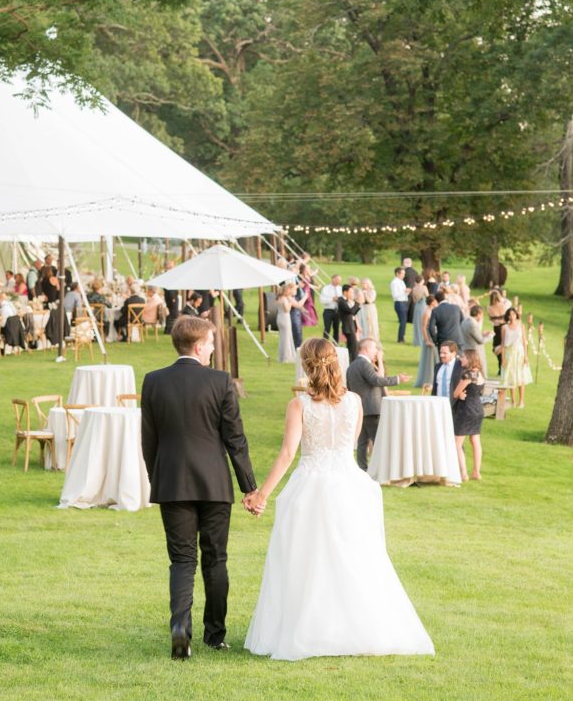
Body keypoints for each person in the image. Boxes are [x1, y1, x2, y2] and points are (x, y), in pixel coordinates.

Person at [244, 337, 434, 661]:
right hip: (349, 484)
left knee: (308, 560)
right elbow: (351, 443)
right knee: (353, 557)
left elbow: (289, 452)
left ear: (306, 365)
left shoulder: (299, 405)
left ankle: (312, 630)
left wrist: (262, 493)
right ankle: (353, 628)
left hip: (312, 484)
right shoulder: (355, 402)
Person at [141, 316, 258, 660]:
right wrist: (249, 487)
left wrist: (157, 478)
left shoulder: (153, 382)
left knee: (181, 560)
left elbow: (149, 441)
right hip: (214, 484)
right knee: (215, 558)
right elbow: (235, 439)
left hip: (172, 482)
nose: (212, 349)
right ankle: (215, 635)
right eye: (210, 343)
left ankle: (180, 632)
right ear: (197, 346)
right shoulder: (220, 382)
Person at [346, 338, 411, 470]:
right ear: (366, 349)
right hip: (371, 409)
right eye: (374, 348)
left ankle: (362, 469)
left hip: (359, 409)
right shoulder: (365, 364)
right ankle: (382, 470)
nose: (376, 351)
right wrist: (397, 379)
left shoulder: (352, 365)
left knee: (362, 443)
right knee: (378, 441)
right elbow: (376, 380)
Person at [452, 349, 485, 482]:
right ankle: (476, 472)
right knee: (475, 441)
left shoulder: (467, 375)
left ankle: (463, 473)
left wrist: (459, 395)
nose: (461, 359)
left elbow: (455, 393)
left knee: (457, 443)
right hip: (478, 409)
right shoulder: (480, 374)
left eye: (463, 357)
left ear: (470, 359)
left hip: (466, 409)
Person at [497, 307, 532, 409]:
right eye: (509, 314)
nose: (511, 316)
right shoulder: (504, 327)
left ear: (516, 315)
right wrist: (503, 358)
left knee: (521, 377)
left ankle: (521, 401)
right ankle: (513, 400)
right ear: (507, 316)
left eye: (513, 314)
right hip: (509, 353)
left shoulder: (521, 326)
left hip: (519, 353)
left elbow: (524, 341)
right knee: (511, 377)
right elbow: (503, 343)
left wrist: (526, 356)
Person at [414, 295, 438, 388]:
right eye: (435, 301)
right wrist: (427, 340)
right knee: (430, 358)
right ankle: (428, 379)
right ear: (432, 302)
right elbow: (423, 327)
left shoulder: (433, 311)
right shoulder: (427, 312)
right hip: (429, 336)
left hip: (434, 334)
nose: (436, 303)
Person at [461, 305, 491, 377]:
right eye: (482, 314)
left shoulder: (465, 321)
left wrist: (482, 334)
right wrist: (490, 336)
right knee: (478, 371)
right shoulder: (472, 324)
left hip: (465, 349)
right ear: (478, 314)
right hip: (473, 351)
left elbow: (471, 335)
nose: (481, 317)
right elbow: (480, 341)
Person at [276, 282, 302, 364]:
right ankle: (286, 356)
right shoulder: (284, 299)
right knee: (286, 337)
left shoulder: (278, 298)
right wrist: (290, 303)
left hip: (279, 317)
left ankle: (282, 355)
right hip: (285, 317)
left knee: (282, 337)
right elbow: (287, 309)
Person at [336, 284, 360, 364]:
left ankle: (352, 361)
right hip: (348, 327)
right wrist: (357, 303)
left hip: (351, 325)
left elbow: (352, 313)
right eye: (351, 292)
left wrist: (356, 305)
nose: (352, 294)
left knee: (353, 345)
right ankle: (354, 362)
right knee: (353, 346)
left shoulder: (345, 301)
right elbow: (350, 311)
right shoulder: (341, 301)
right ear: (345, 292)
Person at [487, 289, 510, 373]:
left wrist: (496, 318)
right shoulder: (503, 305)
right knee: (502, 346)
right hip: (504, 326)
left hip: (497, 327)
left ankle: (501, 364)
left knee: (497, 346)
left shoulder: (489, 308)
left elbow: (491, 319)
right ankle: (502, 365)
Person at [319, 273, 342, 343]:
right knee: (327, 328)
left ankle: (335, 344)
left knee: (336, 329)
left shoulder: (340, 288)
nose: (339, 282)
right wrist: (332, 299)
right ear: (333, 279)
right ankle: (324, 343)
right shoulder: (326, 289)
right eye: (337, 280)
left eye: (339, 280)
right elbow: (322, 300)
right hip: (328, 311)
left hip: (337, 311)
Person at [389, 267, 409, 343]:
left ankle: (402, 337)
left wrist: (407, 292)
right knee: (402, 321)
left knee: (404, 321)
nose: (403, 275)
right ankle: (400, 338)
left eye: (404, 274)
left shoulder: (401, 282)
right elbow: (395, 295)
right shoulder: (394, 283)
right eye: (402, 274)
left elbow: (404, 293)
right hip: (399, 303)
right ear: (397, 273)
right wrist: (404, 291)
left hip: (404, 302)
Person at [358, 278, 380, 342]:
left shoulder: (372, 291)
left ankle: (372, 338)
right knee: (362, 322)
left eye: (364, 283)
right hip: (362, 308)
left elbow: (370, 301)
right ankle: (363, 338)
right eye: (362, 283)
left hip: (370, 308)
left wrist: (365, 294)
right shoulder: (360, 291)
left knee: (370, 323)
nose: (363, 285)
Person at [411, 275, 429, 346]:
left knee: (417, 323)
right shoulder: (424, 287)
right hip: (423, 306)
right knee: (424, 323)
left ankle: (417, 340)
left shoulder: (414, 288)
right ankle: (422, 340)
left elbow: (414, 300)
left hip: (417, 307)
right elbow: (428, 297)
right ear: (422, 281)